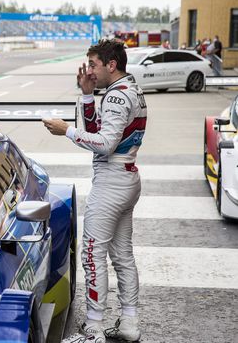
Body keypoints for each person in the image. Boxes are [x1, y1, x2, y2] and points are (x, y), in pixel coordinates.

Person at [42, 39, 147, 343]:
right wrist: (88, 95)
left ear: (111, 65)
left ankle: (93, 329)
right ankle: (128, 323)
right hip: (126, 179)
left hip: (112, 182)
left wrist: (67, 131)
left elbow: (104, 143)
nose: (89, 70)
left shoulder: (116, 97)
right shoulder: (130, 90)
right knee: (123, 255)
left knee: (91, 254)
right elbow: (98, 130)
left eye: (93, 64)